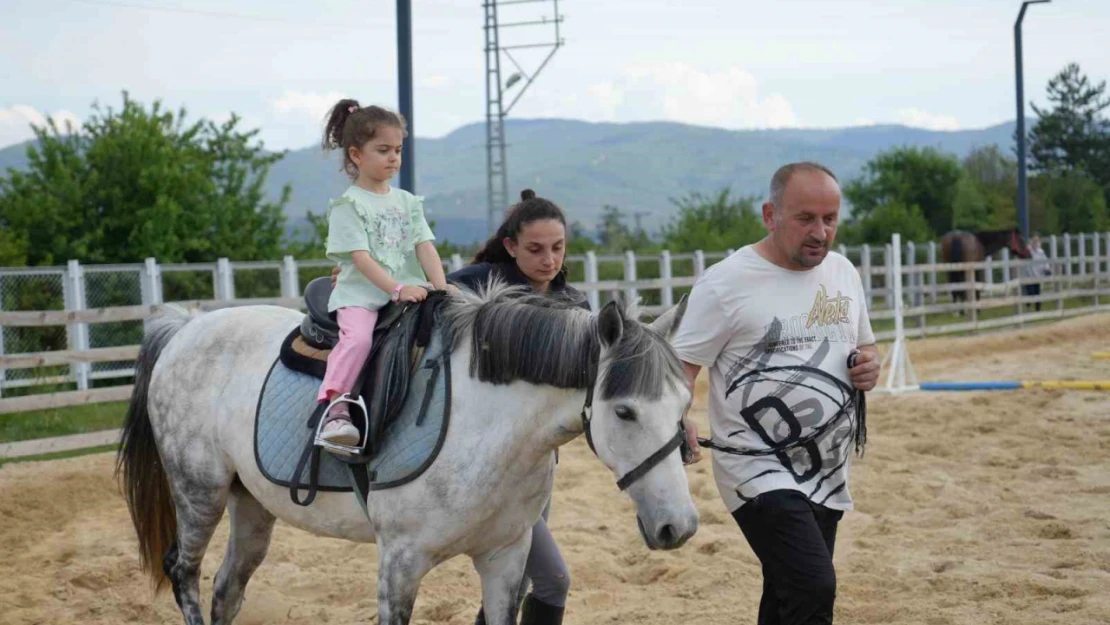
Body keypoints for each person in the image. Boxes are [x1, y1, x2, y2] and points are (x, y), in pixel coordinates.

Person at [328, 188, 581, 624]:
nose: (549, 260)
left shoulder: (572, 304)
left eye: (557, 248)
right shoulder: (483, 281)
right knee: (548, 579)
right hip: (477, 461)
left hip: (537, 464)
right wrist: (359, 282)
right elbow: (422, 296)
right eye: (536, 249)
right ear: (511, 246)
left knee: (527, 580)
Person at [672, 162, 880, 625]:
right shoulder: (726, 284)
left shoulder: (843, 272)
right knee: (813, 585)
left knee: (787, 592)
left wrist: (869, 364)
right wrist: (677, 416)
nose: (820, 232)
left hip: (827, 466)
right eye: (806, 218)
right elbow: (679, 369)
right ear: (770, 215)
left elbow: (864, 344)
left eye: (830, 219)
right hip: (757, 466)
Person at [316, 99, 450, 448]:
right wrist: (397, 288)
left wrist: (442, 289)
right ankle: (337, 408)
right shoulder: (350, 205)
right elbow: (360, 258)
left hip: (411, 289)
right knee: (358, 339)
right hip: (362, 294)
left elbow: (425, 247)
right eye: (383, 150)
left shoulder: (407, 202)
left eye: (398, 149)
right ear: (357, 155)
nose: (394, 158)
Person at [1021, 233, 1051, 312]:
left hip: (1038, 276)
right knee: (1030, 293)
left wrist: (1047, 269)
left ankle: (1038, 310)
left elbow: (1045, 262)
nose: (1035, 242)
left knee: (1037, 293)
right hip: (1028, 276)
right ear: (1031, 241)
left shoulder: (1041, 252)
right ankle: (1027, 307)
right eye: (1033, 240)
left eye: (1036, 240)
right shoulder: (1028, 251)